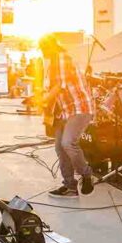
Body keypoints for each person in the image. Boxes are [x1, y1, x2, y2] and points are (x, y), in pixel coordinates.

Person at [40, 34, 96, 198]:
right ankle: (70, 187)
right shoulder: (52, 64)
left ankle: (86, 174)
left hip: (79, 108)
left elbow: (60, 86)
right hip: (64, 112)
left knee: (68, 143)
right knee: (60, 147)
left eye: (43, 49)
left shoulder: (62, 58)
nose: (42, 52)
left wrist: (44, 99)